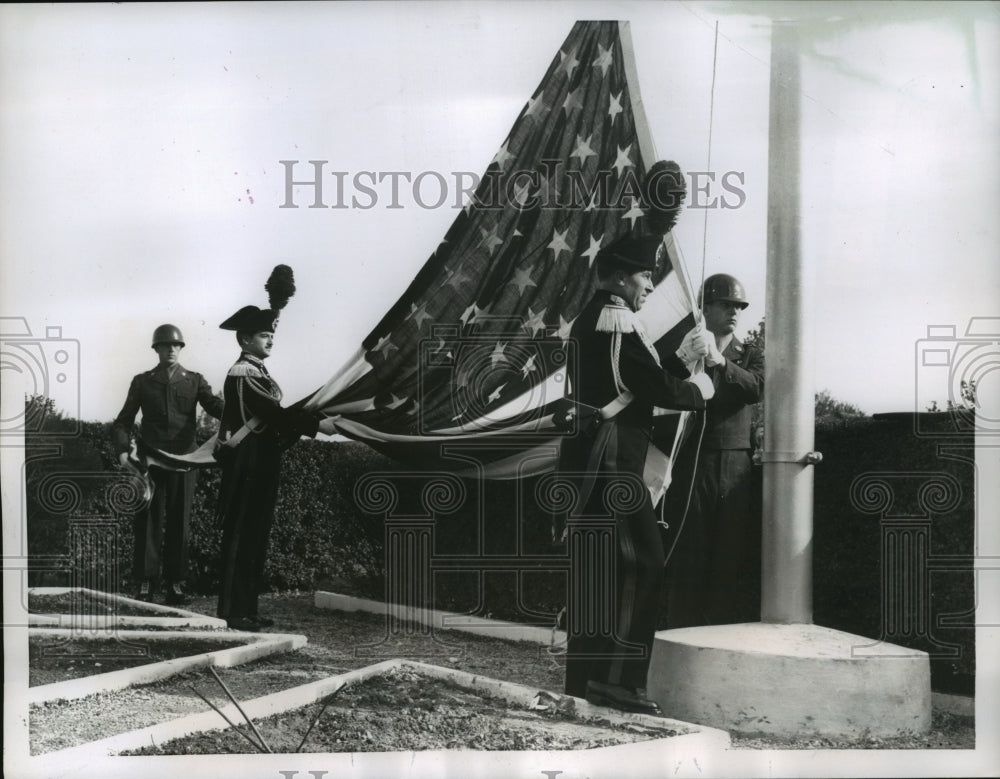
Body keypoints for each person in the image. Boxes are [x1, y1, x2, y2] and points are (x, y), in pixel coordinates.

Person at [558, 234, 716, 714]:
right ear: (624, 277)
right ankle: (618, 681)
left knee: (596, 573)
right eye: (646, 276)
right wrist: (700, 387)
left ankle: (585, 680)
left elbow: (628, 380)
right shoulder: (617, 320)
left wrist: (682, 358)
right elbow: (650, 387)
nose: (649, 285)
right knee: (641, 565)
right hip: (614, 465)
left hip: (591, 460)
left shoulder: (595, 318)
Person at [214, 273, 337, 630]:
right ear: (245, 339)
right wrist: (316, 425)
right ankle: (233, 612)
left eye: (271, 335)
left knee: (256, 534)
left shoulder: (258, 370)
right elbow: (273, 415)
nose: (271, 341)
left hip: (261, 461)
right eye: (265, 335)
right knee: (241, 535)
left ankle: (247, 609)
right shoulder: (243, 372)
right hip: (247, 462)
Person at [663, 273, 765, 628]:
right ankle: (679, 633)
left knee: (728, 554)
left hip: (735, 463)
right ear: (704, 307)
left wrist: (721, 363)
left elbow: (756, 387)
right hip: (694, 460)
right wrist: (693, 355)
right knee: (688, 553)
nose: (734, 312)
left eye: (738, 306)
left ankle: (718, 636)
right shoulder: (689, 348)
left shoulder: (749, 353)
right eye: (725, 304)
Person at [112, 324, 224, 604]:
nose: (171, 349)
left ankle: (176, 583)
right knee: (147, 520)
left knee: (180, 521)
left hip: (185, 460)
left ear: (181, 348)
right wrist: (124, 453)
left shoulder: (195, 380)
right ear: (157, 349)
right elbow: (123, 421)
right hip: (151, 461)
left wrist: (243, 410)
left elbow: (215, 406)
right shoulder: (142, 381)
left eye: (176, 345)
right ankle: (146, 583)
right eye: (165, 345)